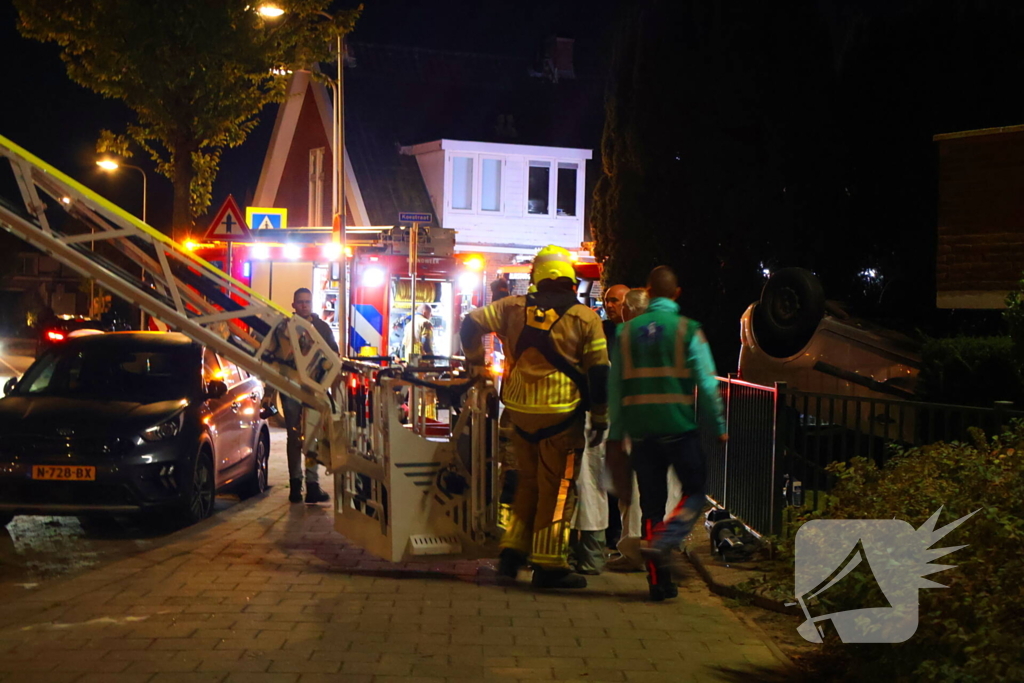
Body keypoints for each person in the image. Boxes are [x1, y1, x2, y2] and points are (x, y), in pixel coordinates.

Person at [461, 245, 609, 589]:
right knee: (557, 490)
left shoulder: (511, 307)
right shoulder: (585, 318)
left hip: (519, 414)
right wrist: (600, 416)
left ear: (536, 278)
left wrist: (476, 365)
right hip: (562, 415)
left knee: (527, 481)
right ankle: (549, 564)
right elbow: (599, 371)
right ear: (570, 280)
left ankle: (512, 551)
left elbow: (470, 324)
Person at [607, 266, 727, 601]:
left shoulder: (626, 333)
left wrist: (617, 433)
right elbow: (706, 381)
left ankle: (658, 582)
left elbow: (615, 389)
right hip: (677, 428)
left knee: (651, 507)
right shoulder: (688, 329)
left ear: (647, 291)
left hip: (641, 432)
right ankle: (663, 542)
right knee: (694, 492)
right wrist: (718, 425)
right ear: (676, 294)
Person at [282, 287, 337, 505]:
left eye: (307, 302)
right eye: (300, 302)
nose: (304, 305)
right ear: (293, 305)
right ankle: (295, 485)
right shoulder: (284, 328)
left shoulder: (322, 328)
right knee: (293, 436)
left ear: (311, 304)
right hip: (290, 387)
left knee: (312, 434)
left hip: (314, 387)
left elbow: (333, 353)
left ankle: (312, 485)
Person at [599, 284, 630, 550]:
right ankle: (613, 530)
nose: (610, 305)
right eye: (607, 300)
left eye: (615, 301)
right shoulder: (601, 330)